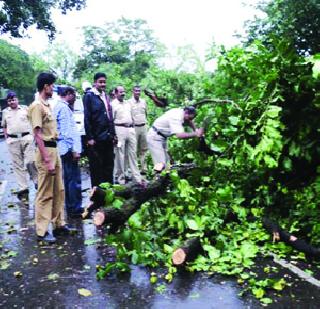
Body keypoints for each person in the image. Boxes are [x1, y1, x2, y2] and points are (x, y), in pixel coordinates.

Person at [28, 72, 76, 244]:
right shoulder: (36, 106)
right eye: (52, 86)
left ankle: (59, 224)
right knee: (45, 193)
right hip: (45, 152)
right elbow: (37, 134)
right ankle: (41, 232)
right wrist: (47, 160)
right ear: (45, 86)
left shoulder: (48, 105)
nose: (53, 89)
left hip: (54, 150)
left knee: (59, 190)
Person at [1, 91, 37, 200]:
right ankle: (23, 187)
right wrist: (7, 138)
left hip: (27, 138)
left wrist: (33, 135)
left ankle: (36, 181)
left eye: (14, 99)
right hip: (13, 140)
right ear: (8, 102)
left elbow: (33, 121)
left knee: (30, 161)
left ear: (17, 99)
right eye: (10, 100)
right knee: (18, 165)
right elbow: (4, 126)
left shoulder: (25, 109)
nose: (12, 102)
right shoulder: (5, 112)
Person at [54, 86, 83, 218]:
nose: (75, 99)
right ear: (68, 94)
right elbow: (67, 132)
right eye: (74, 96)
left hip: (64, 149)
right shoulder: (64, 108)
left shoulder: (59, 107)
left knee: (69, 179)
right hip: (68, 150)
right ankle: (74, 208)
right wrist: (74, 150)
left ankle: (71, 206)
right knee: (73, 180)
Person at [83, 72, 116, 186]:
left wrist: (113, 134)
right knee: (97, 168)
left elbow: (109, 116)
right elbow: (87, 118)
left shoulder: (105, 96)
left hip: (107, 137)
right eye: (100, 82)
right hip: (96, 138)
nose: (103, 84)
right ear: (95, 83)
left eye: (104, 82)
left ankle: (109, 192)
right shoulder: (89, 96)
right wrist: (90, 137)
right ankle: (97, 195)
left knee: (109, 165)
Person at [112, 86, 141, 184]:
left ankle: (137, 178)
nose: (123, 93)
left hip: (130, 130)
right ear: (116, 93)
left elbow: (132, 116)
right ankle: (121, 179)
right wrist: (113, 135)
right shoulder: (112, 105)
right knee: (120, 154)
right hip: (119, 130)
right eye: (120, 92)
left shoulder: (128, 104)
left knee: (133, 153)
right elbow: (110, 120)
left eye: (124, 91)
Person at [127, 86, 148, 174]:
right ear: (133, 91)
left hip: (143, 126)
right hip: (134, 127)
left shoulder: (143, 102)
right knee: (133, 149)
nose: (138, 92)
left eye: (139, 91)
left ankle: (144, 169)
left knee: (144, 149)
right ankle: (133, 170)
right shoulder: (128, 102)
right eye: (136, 91)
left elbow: (146, 113)